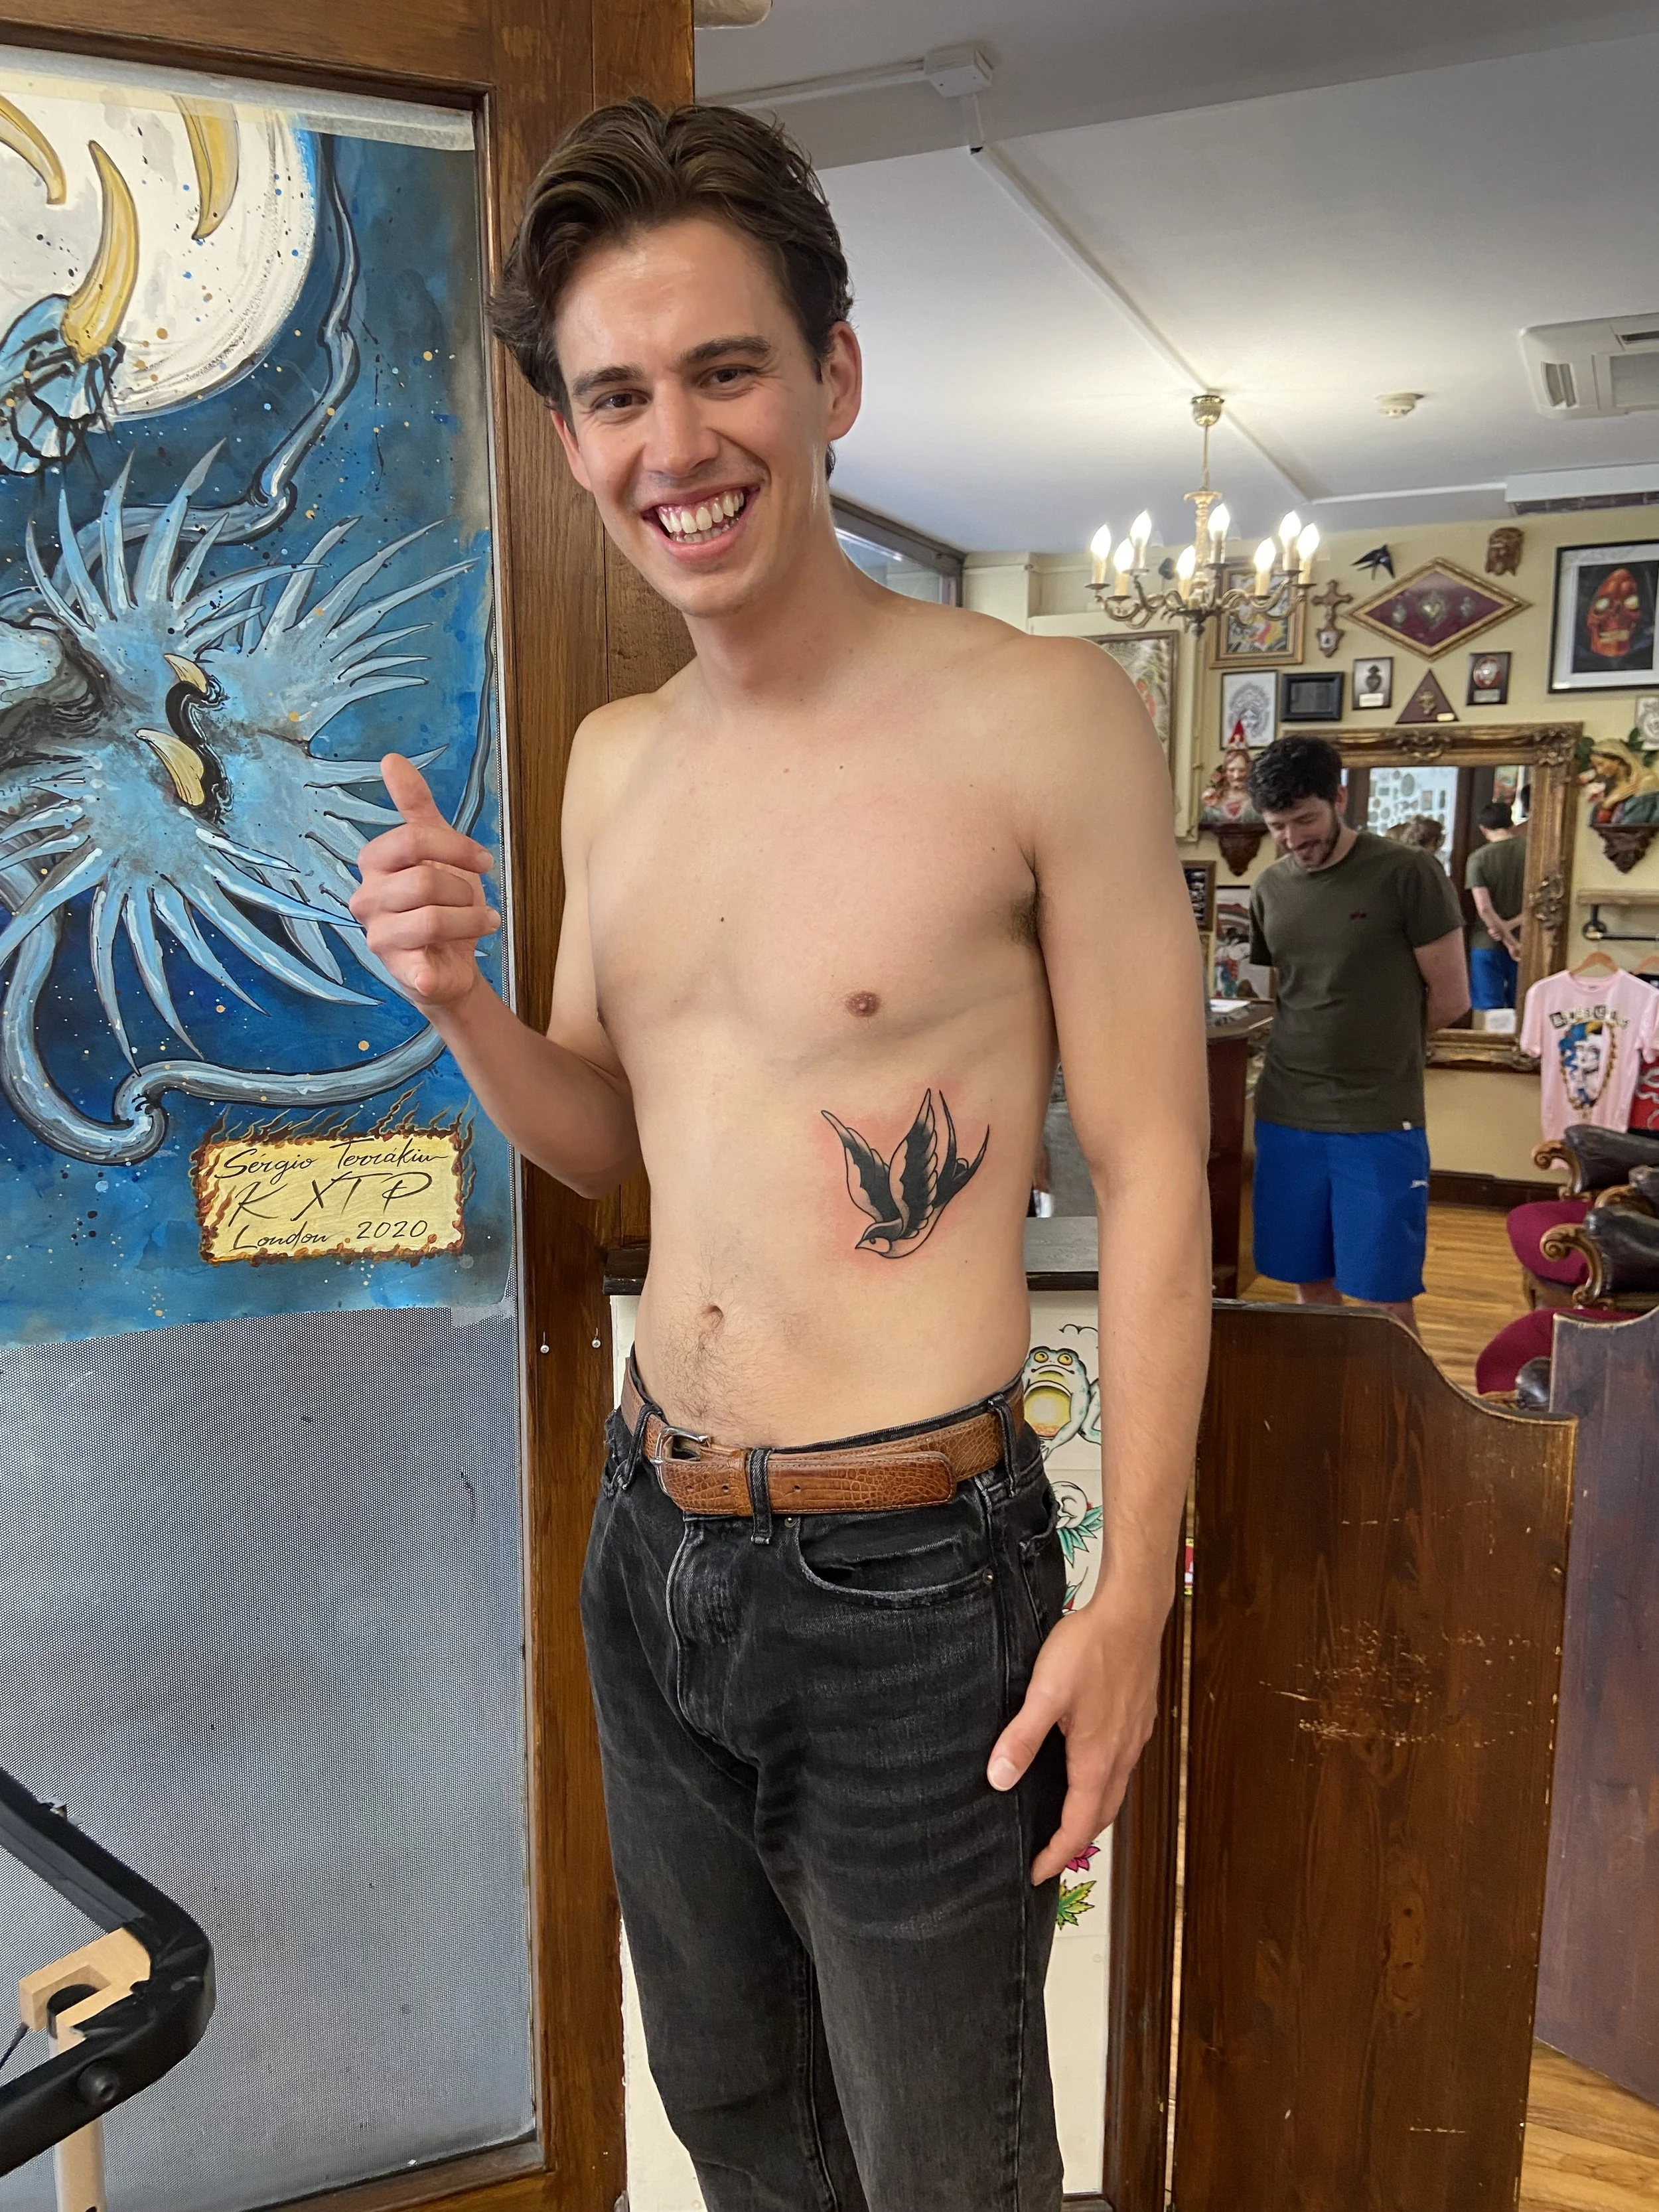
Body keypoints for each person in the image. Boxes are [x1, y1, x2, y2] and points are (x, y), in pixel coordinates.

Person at [348, 98, 1210, 2212]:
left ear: (829, 377)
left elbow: (1166, 1172)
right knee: (737, 2131)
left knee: (946, 2167)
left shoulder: (1041, 719)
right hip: (653, 1547)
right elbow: (600, 1149)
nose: (673, 442)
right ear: (567, 437)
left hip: (917, 1584)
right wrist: (455, 1003)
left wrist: (1130, 1598)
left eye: (723, 368)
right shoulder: (608, 759)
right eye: (614, 392)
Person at [1245, 736, 1469, 1332]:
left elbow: (1452, 999)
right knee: (1308, 1283)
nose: (1293, 839)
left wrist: (1377, 1045)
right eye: (1277, 826)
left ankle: (1396, 1425)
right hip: (1287, 1112)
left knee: (1384, 1298)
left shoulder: (1408, 873)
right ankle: (1330, 1414)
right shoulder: (1269, 889)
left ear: (1339, 797)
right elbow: (1284, 991)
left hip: (1376, 1118)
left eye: (1305, 819)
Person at [1465, 798, 1528, 1011]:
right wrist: (1512, 929)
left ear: (1483, 829)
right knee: (1522, 1007)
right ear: (1511, 823)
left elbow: (1484, 908)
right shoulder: (1533, 853)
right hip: (1527, 939)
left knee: (1489, 1010)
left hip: (1487, 943)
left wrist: (1507, 939)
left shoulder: (1478, 859)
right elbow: (1540, 902)